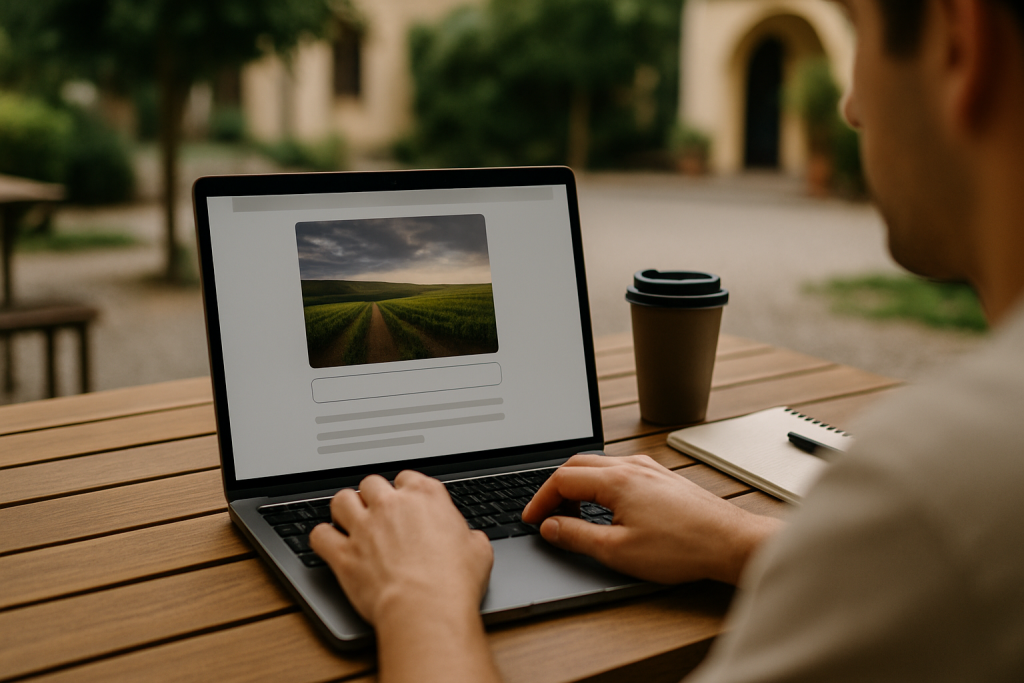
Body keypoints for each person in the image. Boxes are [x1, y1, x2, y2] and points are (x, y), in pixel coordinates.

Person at [309, 0, 1024, 679]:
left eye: (860, 32)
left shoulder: (941, 482)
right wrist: (738, 538)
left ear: (959, 43)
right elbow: (922, 571)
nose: (851, 107)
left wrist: (420, 599)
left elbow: (936, 537)